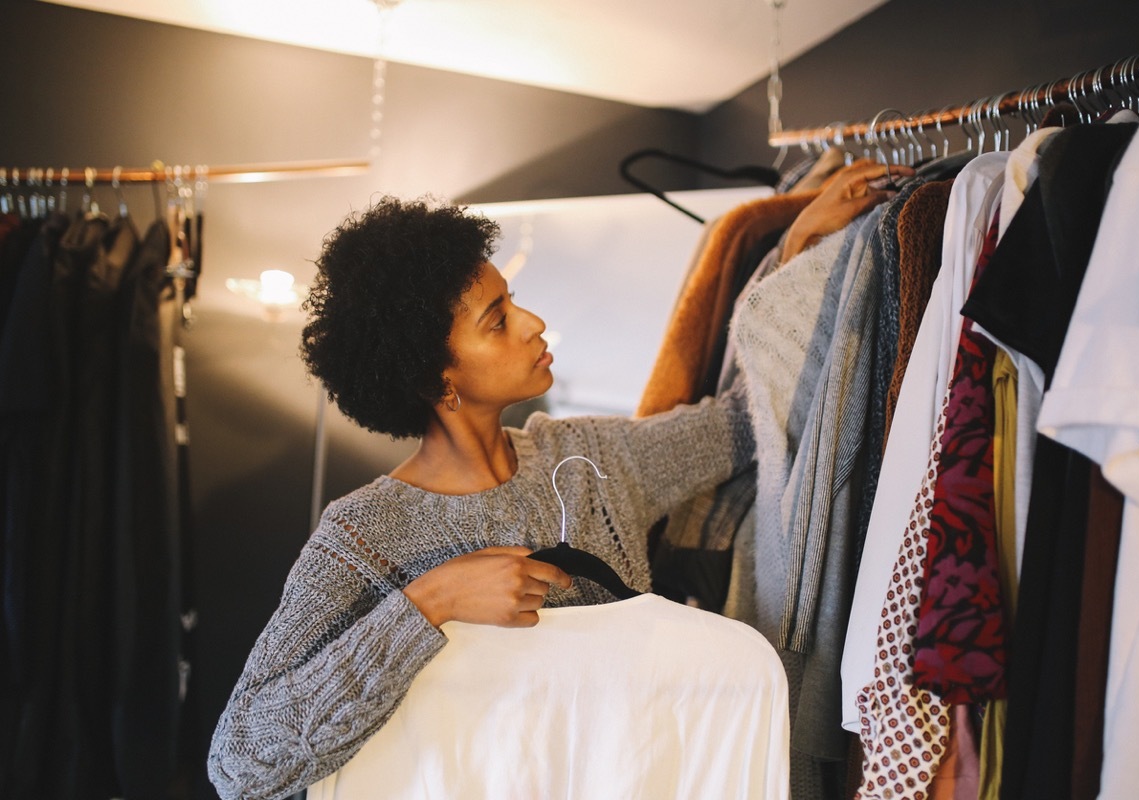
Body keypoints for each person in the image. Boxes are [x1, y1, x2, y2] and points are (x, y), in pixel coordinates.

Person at [207, 170, 901, 800]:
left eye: (515, 301)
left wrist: (798, 250)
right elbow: (241, 762)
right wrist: (431, 600)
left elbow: (747, 422)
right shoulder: (364, 535)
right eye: (498, 320)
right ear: (436, 377)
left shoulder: (590, 459)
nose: (534, 324)